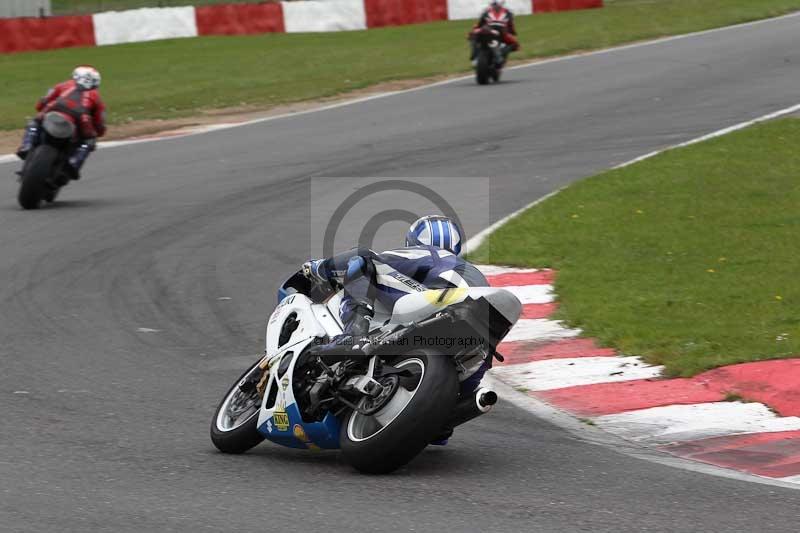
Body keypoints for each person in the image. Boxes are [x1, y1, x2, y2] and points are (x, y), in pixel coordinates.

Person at [301, 215, 491, 444]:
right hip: (477, 330)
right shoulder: (473, 273)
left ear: (413, 241)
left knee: (361, 261)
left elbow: (365, 256)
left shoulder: (427, 253)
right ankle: (446, 416)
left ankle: (353, 334)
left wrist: (319, 268)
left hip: (439, 302)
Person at [16, 66, 106, 181]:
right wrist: (97, 132)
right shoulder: (96, 97)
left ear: (75, 76)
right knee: (89, 140)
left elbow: (42, 103)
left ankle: (27, 145)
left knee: (34, 122)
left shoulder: (62, 85)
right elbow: (100, 124)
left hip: (53, 110)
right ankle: (74, 162)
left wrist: (41, 107)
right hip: (80, 119)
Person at [468, 0, 520, 65]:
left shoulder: (486, 11)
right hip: (499, 33)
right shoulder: (508, 12)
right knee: (515, 44)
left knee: (473, 36)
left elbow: (480, 24)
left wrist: (476, 29)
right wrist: (513, 33)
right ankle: (498, 57)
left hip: (489, 31)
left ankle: (474, 57)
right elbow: (511, 26)